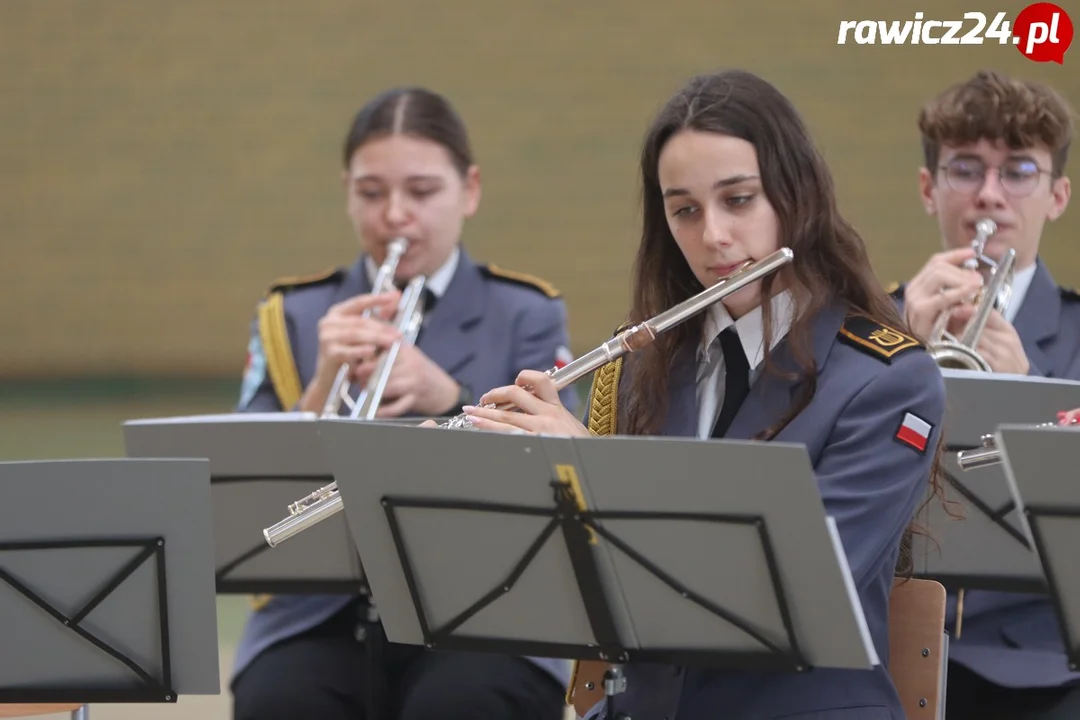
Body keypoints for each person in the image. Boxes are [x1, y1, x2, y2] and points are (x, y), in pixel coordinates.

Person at [460, 68, 947, 719]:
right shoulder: (639, 368)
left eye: (739, 200)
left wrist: (594, 474)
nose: (712, 236)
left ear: (793, 196)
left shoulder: (888, 381)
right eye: (684, 210)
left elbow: (791, 590)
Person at [230, 86, 576, 720]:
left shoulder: (524, 310)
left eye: (421, 192)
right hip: (321, 613)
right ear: (347, 193)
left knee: (464, 700)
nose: (394, 216)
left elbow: (566, 473)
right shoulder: (294, 315)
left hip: (487, 608)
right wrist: (320, 389)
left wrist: (454, 399)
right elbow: (243, 503)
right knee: (282, 698)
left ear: (468, 190)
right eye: (370, 193)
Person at [891, 70, 1080, 720]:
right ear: (928, 188)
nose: (989, 196)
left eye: (1018, 171)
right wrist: (897, 363)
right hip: (887, 654)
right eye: (966, 169)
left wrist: (1027, 393)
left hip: (1041, 669)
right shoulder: (865, 330)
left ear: (1057, 196)